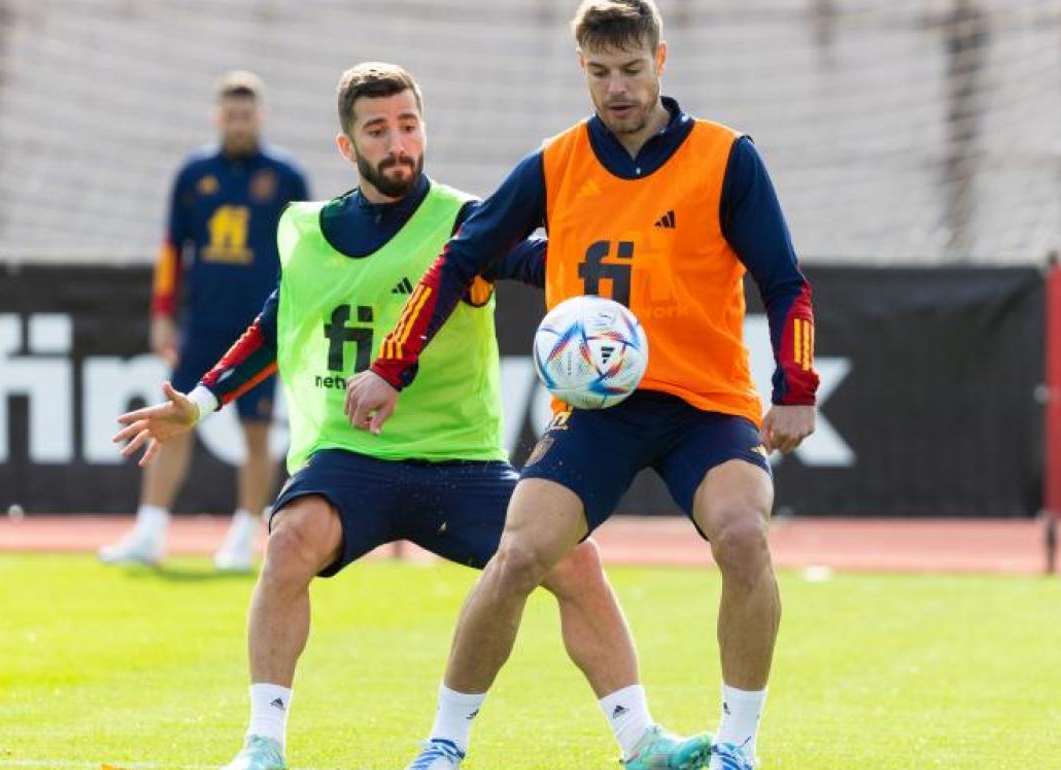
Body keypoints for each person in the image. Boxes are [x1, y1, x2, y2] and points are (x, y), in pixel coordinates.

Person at [114, 62, 710, 770]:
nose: (398, 143)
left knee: (575, 560)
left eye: (408, 125)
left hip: (461, 458)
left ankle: (640, 740)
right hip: (349, 457)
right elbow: (277, 325)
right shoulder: (307, 228)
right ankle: (262, 745)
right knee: (289, 540)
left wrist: (630, 268)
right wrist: (203, 401)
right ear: (347, 147)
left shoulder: (467, 220)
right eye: (377, 130)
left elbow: (543, 263)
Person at [344, 3, 820, 769]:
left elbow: (785, 282)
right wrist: (391, 365)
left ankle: (738, 746)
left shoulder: (727, 157)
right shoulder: (556, 162)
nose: (617, 88)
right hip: (598, 408)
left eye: (632, 70)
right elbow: (464, 257)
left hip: (707, 404)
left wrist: (795, 386)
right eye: (600, 73)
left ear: (661, 60)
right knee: (519, 555)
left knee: (742, 533)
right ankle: (444, 744)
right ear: (582, 70)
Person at [100, 70, 310, 572]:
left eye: (247, 115)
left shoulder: (286, 177)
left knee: (257, 430)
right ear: (218, 117)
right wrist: (163, 314)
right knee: (174, 419)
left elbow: (305, 251)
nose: (238, 124)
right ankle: (150, 529)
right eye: (230, 115)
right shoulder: (193, 174)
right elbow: (173, 247)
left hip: (262, 324)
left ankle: (243, 535)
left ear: (260, 117)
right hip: (205, 322)